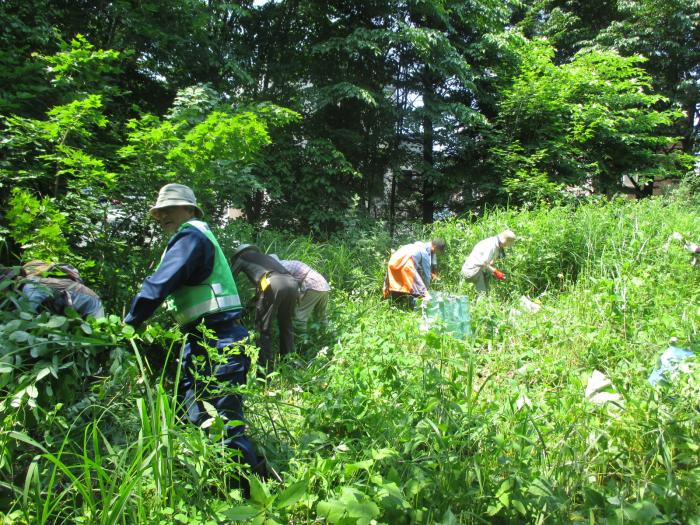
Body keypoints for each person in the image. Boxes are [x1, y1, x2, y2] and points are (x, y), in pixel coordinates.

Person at [123, 183, 260, 474]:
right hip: (200, 342)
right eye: (159, 213)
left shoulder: (191, 237)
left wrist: (129, 323)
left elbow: (158, 285)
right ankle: (213, 485)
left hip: (219, 342)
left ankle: (256, 494)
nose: (162, 217)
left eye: (169, 209)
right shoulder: (191, 237)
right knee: (194, 414)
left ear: (189, 209)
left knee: (225, 425)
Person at [230, 245, 299, 371]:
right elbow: (263, 293)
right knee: (286, 325)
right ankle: (289, 365)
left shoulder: (242, 257)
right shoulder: (266, 259)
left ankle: (264, 371)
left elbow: (228, 280)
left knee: (263, 328)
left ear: (237, 255)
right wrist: (246, 310)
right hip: (292, 283)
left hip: (273, 283)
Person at [18, 261, 104, 318]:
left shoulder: (31, 284)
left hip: (88, 301)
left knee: (98, 335)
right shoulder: (39, 280)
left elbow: (26, 311)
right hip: (86, 298)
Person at [383, 239, 446, 307]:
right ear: (435, 247)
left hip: (393, 262)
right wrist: (426, 289)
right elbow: (426, 274)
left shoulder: (411, 246)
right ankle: (418, 308)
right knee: (419, 289)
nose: (436, 253)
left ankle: (392, 305)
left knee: (397, 283)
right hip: (406, 265)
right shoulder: (424, 252)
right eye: (438, 251)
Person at [278, 259, 330, 333]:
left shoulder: (283, 267)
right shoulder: (291, 263)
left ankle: (301, 341)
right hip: (323, 285)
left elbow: (288, 286)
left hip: (313, 285)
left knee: (300, 317)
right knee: (321, 315)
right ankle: (327, 335)